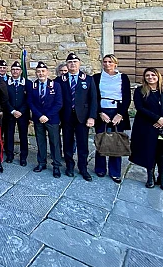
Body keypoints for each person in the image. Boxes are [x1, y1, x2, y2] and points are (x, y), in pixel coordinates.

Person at [93, 54, 131, 183]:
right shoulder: (97, 77)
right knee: (101, 139)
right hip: (102, 111)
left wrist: (120, 114)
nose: (107, 64)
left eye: (110, 62)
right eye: (105, 62)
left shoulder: (123, 78)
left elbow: (126, 97)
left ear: (115, 63)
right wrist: (99, 112)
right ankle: (100, 168)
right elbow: (94, 97)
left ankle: (115, 171)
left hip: (117, 111)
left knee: (116, 141)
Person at [59, 53, 97, 181]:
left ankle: (83, 168)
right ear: (67, 64)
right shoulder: (60, 80)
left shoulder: (88, 79)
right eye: (70, 62)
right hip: (67, 117)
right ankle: (69, 166)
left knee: (83, 144)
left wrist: (92, 117)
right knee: (67, 143)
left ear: (79, 63)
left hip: (83, 117)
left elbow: (93, 100)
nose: (72, 64)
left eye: (75, 61)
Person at [27, 62, 63, 178]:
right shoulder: (33, 86)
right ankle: (41, 163)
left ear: (47, 72)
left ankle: (56, 165)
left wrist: (47, 116)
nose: (40, 73)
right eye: (38, 71)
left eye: (43, 71)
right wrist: (39, 116)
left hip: (52, 119)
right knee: (40, 141)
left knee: (55, 143)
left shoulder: (55, 85)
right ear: (36, 73)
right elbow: (30, 103)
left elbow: (58, 103)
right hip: (39, 119)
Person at [5, 61, 30, 166]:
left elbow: (29, 99)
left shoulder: (28, 83)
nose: (15, 71)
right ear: (11, 71)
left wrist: (21, 111)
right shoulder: (5, 83)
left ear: (21, 71)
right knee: (9, 135)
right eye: (13, 69)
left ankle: (23, 157)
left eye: (17, 69)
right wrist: (12, 111)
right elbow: (4, 99)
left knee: (23, 135)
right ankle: (9, 155)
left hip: (23, 114)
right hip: (10, 113)